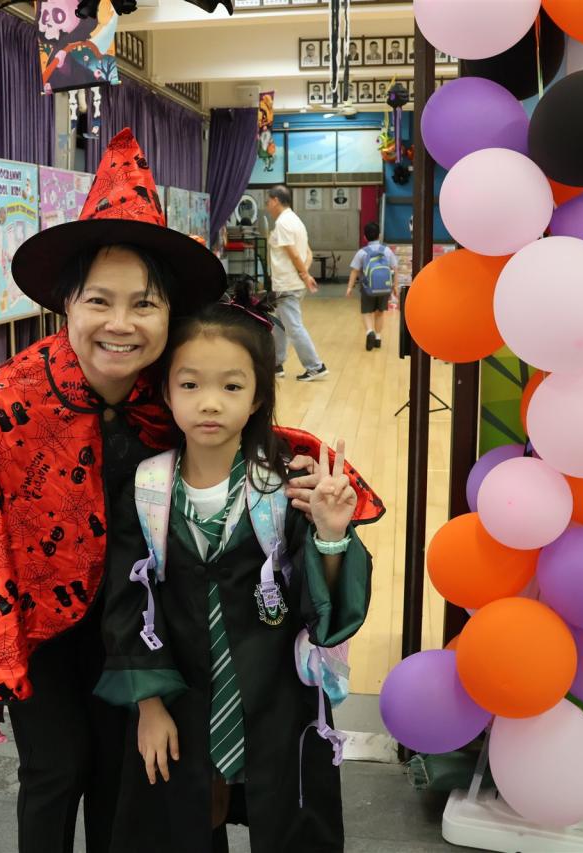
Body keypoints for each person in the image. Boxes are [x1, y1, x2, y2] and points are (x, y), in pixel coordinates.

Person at [0, 129, 231, 853]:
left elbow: (241, 440)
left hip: (136, 618)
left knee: (123, 772)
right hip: (35, 623)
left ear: (169, 312)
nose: (121, 324)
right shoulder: (9, 403)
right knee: (56, 768)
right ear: (66, 304)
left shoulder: (175, 389)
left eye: (144, 304)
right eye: (99, 301)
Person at [96, 298, 380, 852]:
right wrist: (148, 706)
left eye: (231, 386)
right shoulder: (146, 489)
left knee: (289, 824)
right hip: (178, 695)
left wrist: (329, 534)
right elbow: (126, 604)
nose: (210, 403)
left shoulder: (285, 488)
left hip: (277, 700)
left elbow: (324, 614)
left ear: (257, 398)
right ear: (165, 392)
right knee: (180, 821)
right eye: (190, 384)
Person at [265, 185, 327, 382]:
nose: (267, 206)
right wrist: (304, 273)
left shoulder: (283, 223)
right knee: (279, 325)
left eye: (268, 201)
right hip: (290, 284)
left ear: (275, 200)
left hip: (287, 285)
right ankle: (276, 364)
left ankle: (315, 366)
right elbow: (308, 252)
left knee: (293, 327)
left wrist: (304, 275)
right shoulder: (296, 221)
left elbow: (294, 254)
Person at [344, 222, 398, 350]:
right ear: (379, 235)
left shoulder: (362, 252)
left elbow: (354, 271)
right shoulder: (387, 251)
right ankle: (378, 338)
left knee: (367, 312)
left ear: (365, 237)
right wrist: (395, 286)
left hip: (367, 288)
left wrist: (350, 287)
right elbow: (395, 268)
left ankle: (370, 332)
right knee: (380, 312)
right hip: (385, 287)